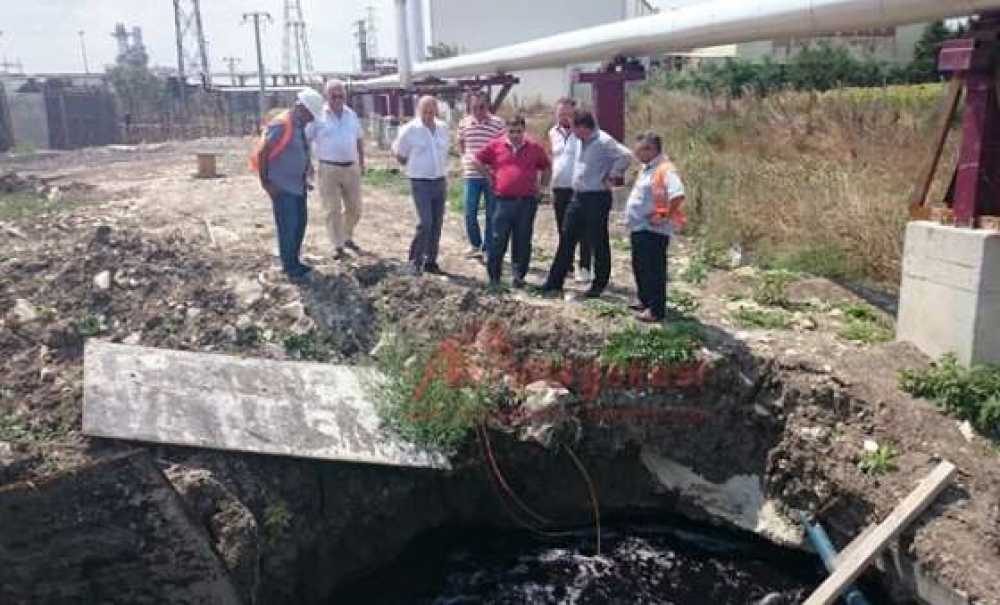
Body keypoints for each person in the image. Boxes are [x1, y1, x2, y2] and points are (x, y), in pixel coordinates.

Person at [541, 110, 632, 298]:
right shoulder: (581, 141)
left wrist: (613, 175)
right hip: (578, 196)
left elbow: (626, 156)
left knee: (598, 240)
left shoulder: (603, 141)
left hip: (596, 197)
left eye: (574, 127)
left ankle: (599, 284)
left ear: (582, 127)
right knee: (566, 237)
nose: (572, 131)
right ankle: (554, 282)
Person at [473, 114, 551, 289]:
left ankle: (519, 276)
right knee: (498, 239)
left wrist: (543, 188)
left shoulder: (534, 147)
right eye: (512, 131)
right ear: (506, 130)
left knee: (522, 240)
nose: (515, 135)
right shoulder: (496, 145)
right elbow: (476, 159)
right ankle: (494, 277)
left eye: (519, 131)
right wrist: (489, 176)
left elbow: (546, 166)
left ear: (524, 130)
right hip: (502, 201)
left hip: (526, 202)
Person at [254, 87, 324, 281]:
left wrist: (306, 169)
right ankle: (289, 267)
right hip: (282, 187)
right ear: (301, 108)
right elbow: (262, 152)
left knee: (299, 224)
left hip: (298, 186)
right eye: (311, 115)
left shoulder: (299, 126)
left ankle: (294, 261)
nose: (312, 119)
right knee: (288, 226)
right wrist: (266, 182)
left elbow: (299, 149)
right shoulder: (281, 124)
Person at [626, 132, 686, 323]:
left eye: (640, 150)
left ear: (651, 149)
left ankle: (656, 309)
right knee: (640, 266)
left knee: (654, 269)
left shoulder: (665, 170)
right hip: (640, 227)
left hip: (654, 230)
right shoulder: (648, 168)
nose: (636, 154)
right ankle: (645, 301)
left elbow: (678, 194)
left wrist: (664, 216)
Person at [306, 79, 365, 261]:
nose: (338, 99)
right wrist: (307, 164)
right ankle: (337, 245)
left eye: (341, 95)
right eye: (334, 95)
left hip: (351, 167)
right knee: (332, 209)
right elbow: (306, 139)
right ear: (326, 96)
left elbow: (359, 139)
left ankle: (346, 235)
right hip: (328, 168)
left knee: (355, 208)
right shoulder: (318, 116)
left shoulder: (351, 115)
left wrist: (362, 161)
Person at [392, 95, 450, 275]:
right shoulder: (409, 130)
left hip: (439, 180)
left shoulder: (443, 128)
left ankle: (430, 261)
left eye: (431, 111)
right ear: (419, 110)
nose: (428, 115)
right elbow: (400, 154)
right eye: (425, 111)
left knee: (437, 223)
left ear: (436, 111)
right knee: (426, 222)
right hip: (420, 181)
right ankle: (414, 261)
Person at [457, 92, 506, 261]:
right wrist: (465, 159)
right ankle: (475, 244)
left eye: (482, 107)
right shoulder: (464, 123)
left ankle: (488, 248)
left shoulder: (498, 124)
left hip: (491, 176)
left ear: (488, 106)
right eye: (474, 107)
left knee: (491, 213)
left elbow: (502, 148)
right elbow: (461, 144)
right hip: (471, 175)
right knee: (470, 212)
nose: (478, 110)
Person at [549, 97, 592, 284]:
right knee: (563, 229)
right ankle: (567, 265)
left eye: (567, 114)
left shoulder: (584, 133)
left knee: (583, 230)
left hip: (579, 188)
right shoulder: (552, 133)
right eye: (560, 114)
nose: (564, 117)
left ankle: (584, 266)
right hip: (559, 187)